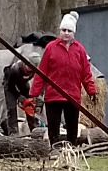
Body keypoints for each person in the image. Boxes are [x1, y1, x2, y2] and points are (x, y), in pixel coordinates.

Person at [29, 11, 98, 145]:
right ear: (60, 31)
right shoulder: (50, 48)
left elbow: (86, 73)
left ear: (73, 33)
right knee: (53, 126)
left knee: (72, 126)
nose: (66, 33)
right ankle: (53, 146)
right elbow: (41, 73)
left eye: (69, 31)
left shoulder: (80, 50)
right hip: (53, 95)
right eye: (64, 30)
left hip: (72, 95)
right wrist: (34, 93)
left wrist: (91, 90)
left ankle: (71, 148)